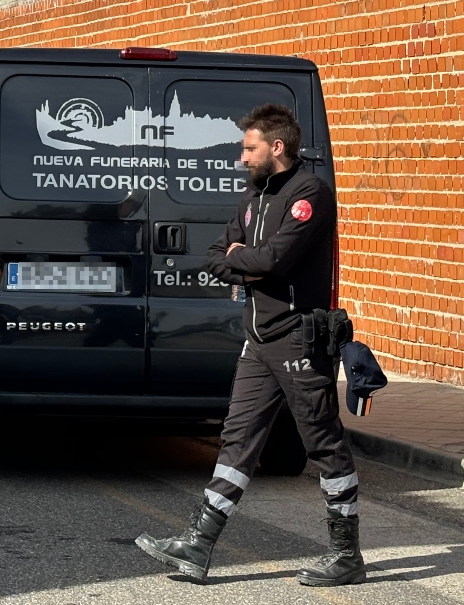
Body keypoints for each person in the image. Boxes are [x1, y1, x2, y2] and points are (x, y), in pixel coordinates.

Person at [135, 104, 364, 586]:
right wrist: (246, 261)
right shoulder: (253, 197)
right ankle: (198, 545)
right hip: (258, 340)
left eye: (249, 147)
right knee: (237, 439)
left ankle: (347, 555)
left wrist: (251, 261)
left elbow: (277, 261)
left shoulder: (310, 195)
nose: (242, 157)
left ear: (276, 147)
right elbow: (216, 255)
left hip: (299, 339)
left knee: (323, 444)